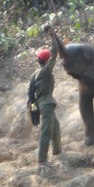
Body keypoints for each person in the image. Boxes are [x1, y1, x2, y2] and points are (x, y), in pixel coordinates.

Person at [27, 26, 62, 167]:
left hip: (42, 104)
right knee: (47, 131)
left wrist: (33, 107)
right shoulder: (46, 70)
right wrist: (53, 37)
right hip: (46, 104)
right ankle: (42, 160)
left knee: (56, 127)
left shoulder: (35, 74)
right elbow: (54, 53)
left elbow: (30, 93)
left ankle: (58, 153)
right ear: (46, 61)